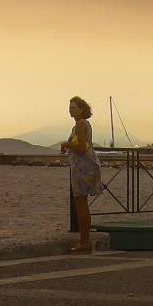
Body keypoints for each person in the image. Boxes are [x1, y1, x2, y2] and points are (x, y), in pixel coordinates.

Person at [61, 96, 101, 254]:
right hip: (86, 166)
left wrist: (66, 144)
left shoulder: (80, 125)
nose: (71, 110)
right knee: (82, 204)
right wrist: (70, 145)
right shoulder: (82, 124)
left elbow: (82, 147)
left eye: (74, 107)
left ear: (82, 109)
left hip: (83, 167)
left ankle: (84, 243)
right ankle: (84, 241)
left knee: (81, 204)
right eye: (70, 107)